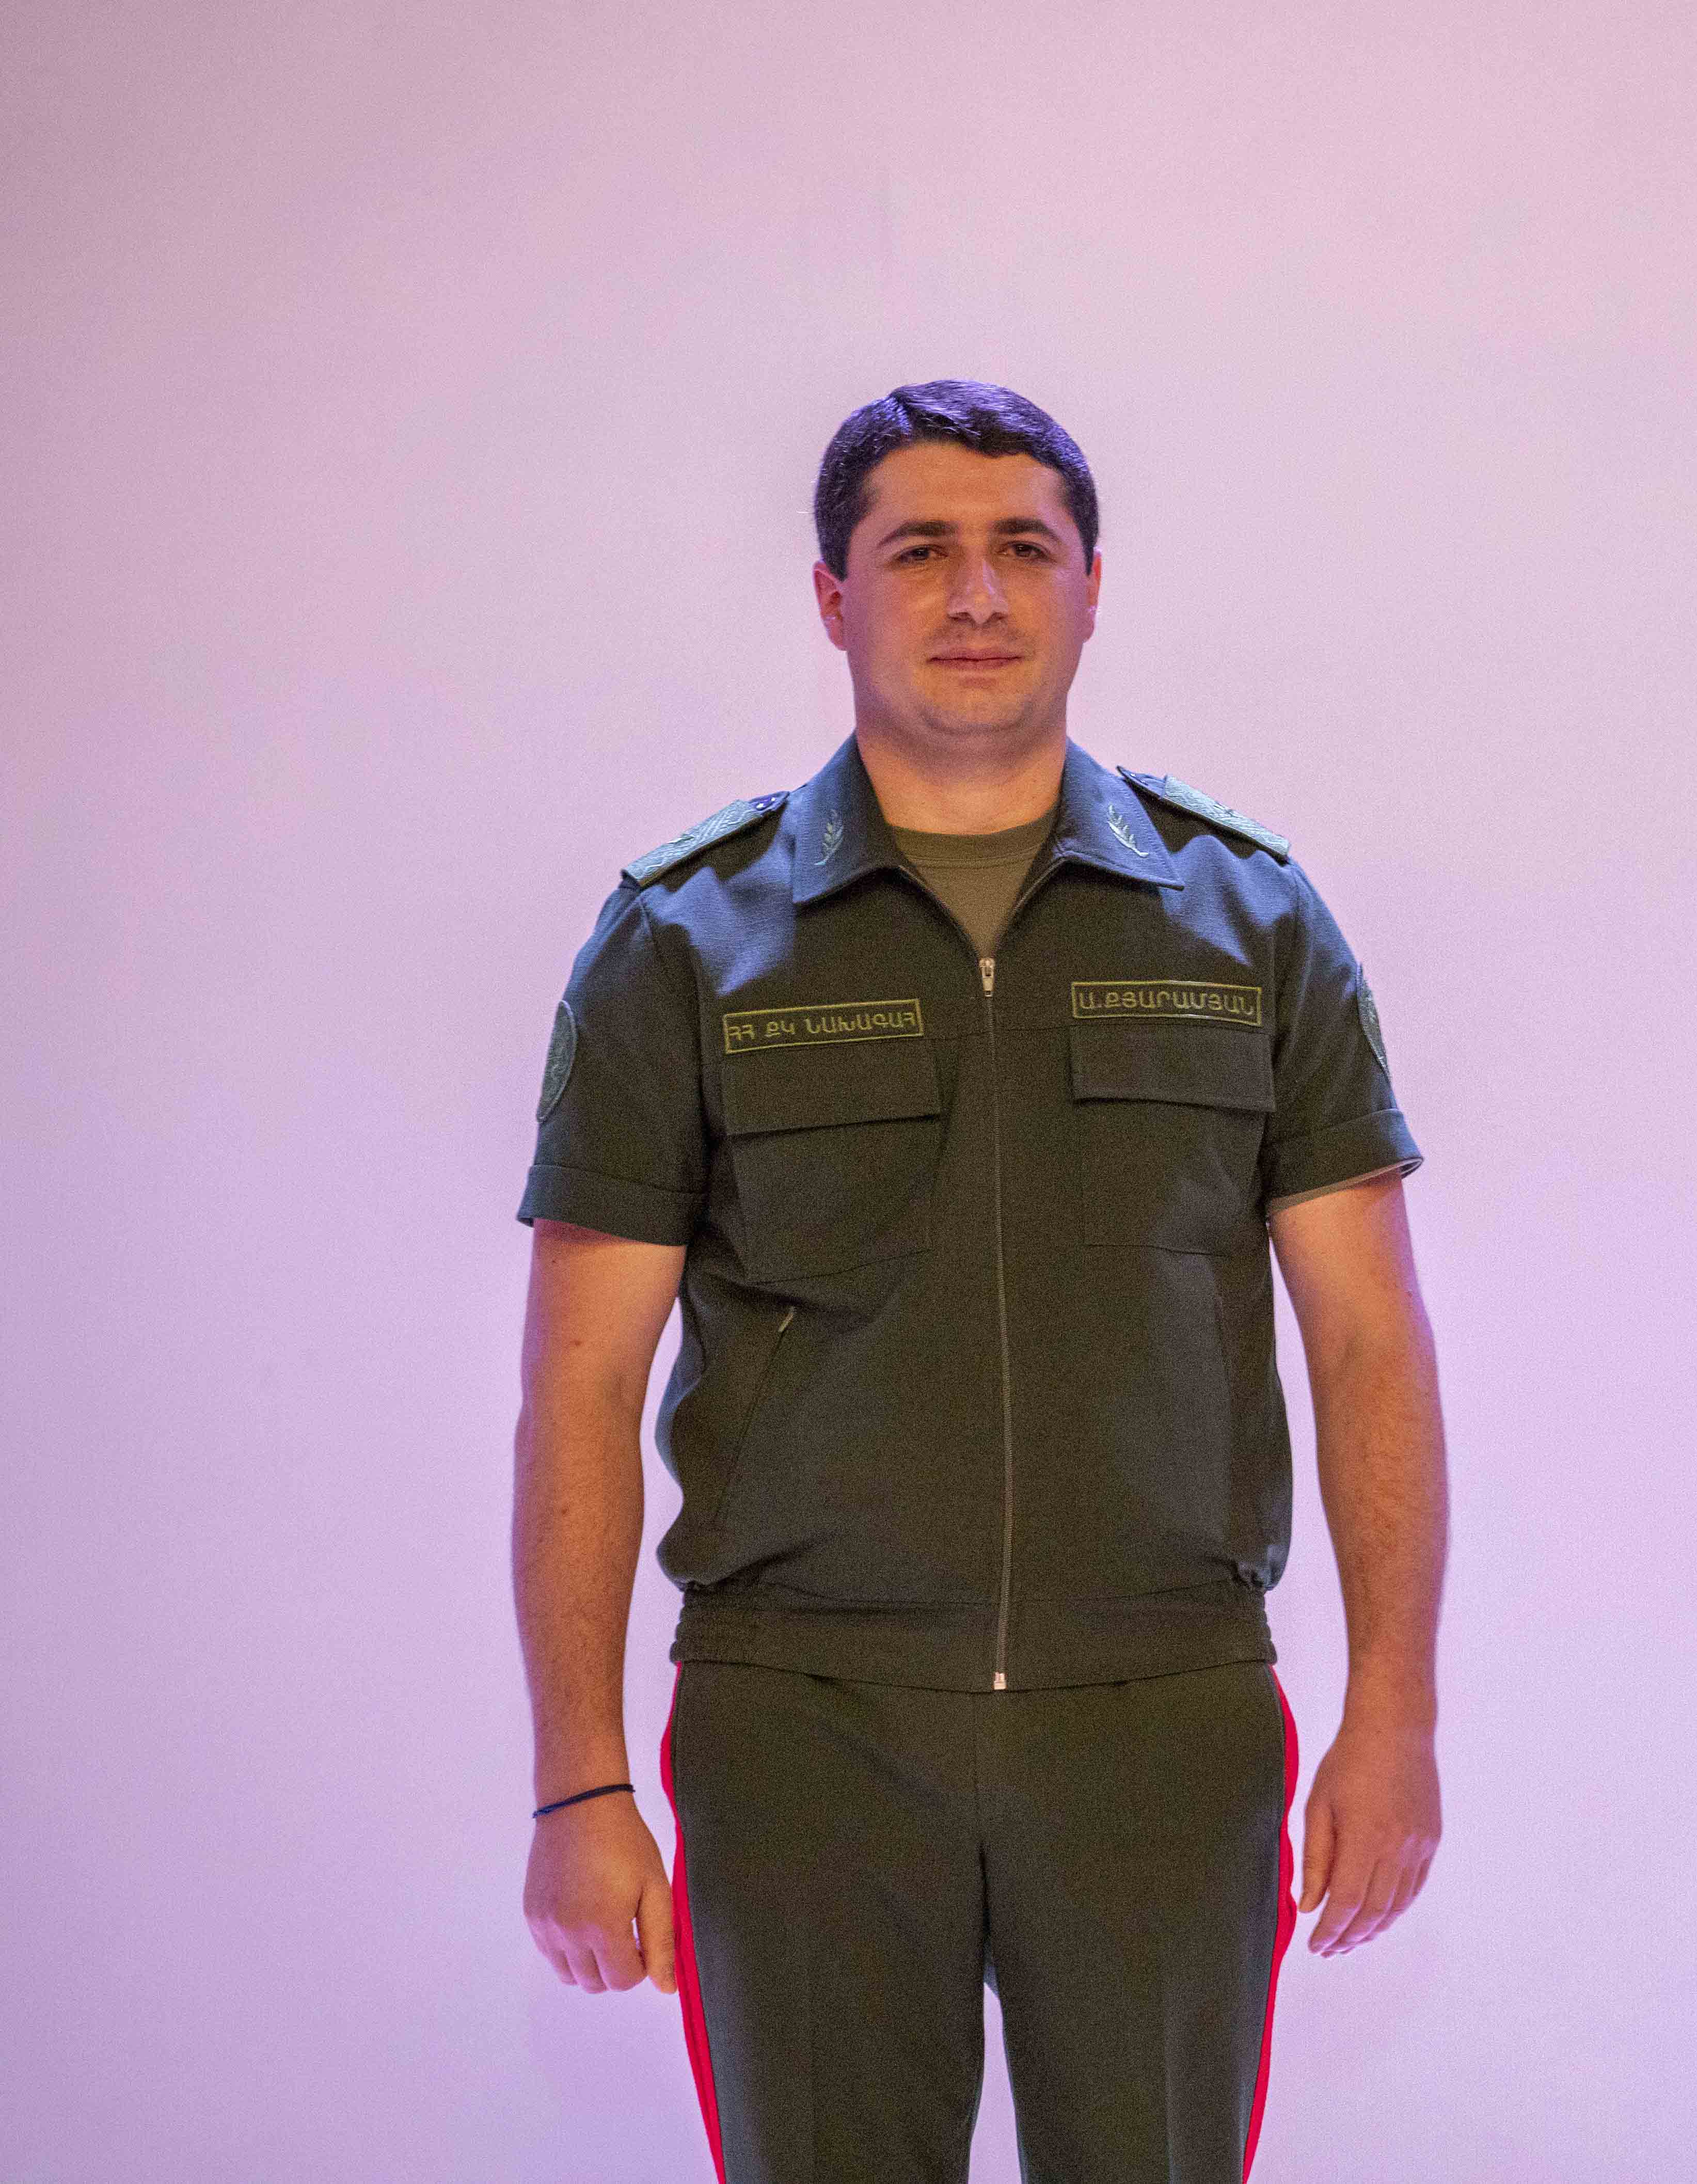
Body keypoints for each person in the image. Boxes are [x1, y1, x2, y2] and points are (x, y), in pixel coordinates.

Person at [511, 381, 1448, 2184]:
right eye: (918, 551)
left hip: (1161, 1721)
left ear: (1092, 588)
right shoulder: (685, 938)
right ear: (831, 597)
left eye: (1024, 547)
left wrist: (1392, 1715)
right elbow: (581, 1388)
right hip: (803, 1729)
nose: (974, 594)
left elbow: (1366, 1343)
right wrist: (581, 1778)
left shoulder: (1251, 921)